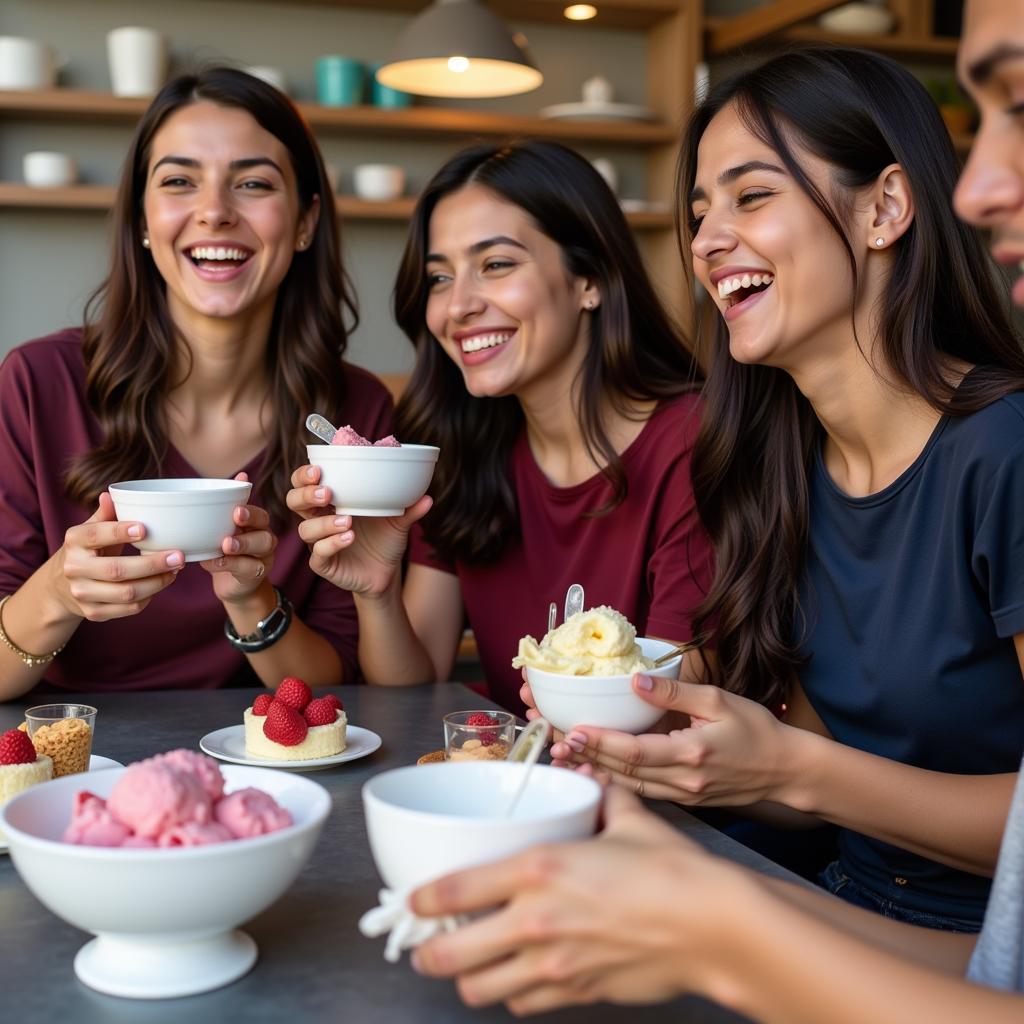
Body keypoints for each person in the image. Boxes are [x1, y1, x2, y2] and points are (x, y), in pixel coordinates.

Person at [408, 15, 1024, 1013]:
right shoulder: (783, 465)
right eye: (699, 211)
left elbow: (838, 778)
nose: (707, 241)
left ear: (885, 208)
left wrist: (786, 767)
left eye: (751, 196)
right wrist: (690, 768)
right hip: (845, 903)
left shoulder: (1002, 454)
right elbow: (842, 770)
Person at [0, 68, 393, 699]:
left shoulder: (356, 411)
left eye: (254, 183)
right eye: (180, 181)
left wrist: (250, 598)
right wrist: (57, 591)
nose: (214, 211)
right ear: (144, 220)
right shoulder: (35, 384)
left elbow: (331, 684)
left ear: (304, 222)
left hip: (264, 766)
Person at [287, 140, 713, 713]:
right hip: (509, 784)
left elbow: (676, 710)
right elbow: (411, 690)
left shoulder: (691, 445)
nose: (457, 305)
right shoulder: (465, 451)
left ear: (590, 279)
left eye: (496, 265)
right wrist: (378, 590)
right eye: (439, 277)